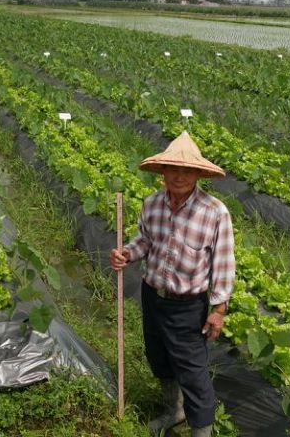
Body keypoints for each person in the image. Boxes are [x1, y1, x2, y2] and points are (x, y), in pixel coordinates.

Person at [110, 131, 235, 437]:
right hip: (153, 296)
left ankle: (201, 431)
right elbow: (144, 241)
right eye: (173, 169)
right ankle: (173, 411)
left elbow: (223, 263)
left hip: (187, 307)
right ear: (163, 171)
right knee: (159, 357)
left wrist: (219, 309)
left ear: (198, 174)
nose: (180, 176)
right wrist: (127, 253)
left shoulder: (214, 212)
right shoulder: (152, 204)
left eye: (187, 170)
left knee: (193, 372)